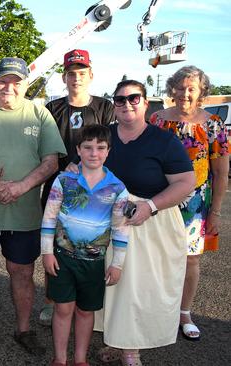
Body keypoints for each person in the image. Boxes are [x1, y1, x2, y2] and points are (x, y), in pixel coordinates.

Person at [0, 57, 66, 355]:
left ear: (25, 84)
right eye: (4, 81)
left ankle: (24, 329)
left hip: (24, 214)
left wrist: (20, 187)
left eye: (16, 82)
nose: (9, 87)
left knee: (22, 270)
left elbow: (51, 161)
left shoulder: (39, 115)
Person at [93, 80, 195, 366]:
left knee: (136, 290)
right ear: (113, 105)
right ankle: (115, 338)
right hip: (106, 221)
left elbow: (186, 182)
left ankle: (131, 349)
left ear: (146, 103)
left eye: (134, 98)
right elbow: (80, 166)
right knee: (109, 285)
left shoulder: (163, 140)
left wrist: (149, 206)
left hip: (149, 222)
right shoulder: (104, 135)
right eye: (120, 100)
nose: (127, 105)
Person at [150, 66, 228, 341]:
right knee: (156, 257)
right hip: (158, 199)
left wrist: (215, 212)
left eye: (191, 88)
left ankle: (184, 313)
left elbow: (220, 173)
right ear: (172, 89)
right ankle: (158, 309)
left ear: (201, 92)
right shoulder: (157, 120)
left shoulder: (213, 125)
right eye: (180, 87)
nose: (185, 93)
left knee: (190, 260)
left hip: (195, 205)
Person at [41, 124, 129, 366]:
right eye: (88, 147)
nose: (94, 153)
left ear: (108, 151)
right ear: (78, 149)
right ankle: (60, 358)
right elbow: (49, 217)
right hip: (62, 258)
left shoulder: (117, 188)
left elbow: (121, 228)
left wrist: (117, 263)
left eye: (100, 148)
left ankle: (80, 359)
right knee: (63, 309)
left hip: (94, 262)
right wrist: (47, 252)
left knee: (85, 311)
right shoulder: (64, 180)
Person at [39, 49, 115, 326]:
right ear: (64, 77)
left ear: (91, 76)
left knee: (93, 245)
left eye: (82, 73)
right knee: (55, 245)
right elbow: (45, 149)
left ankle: (89, 303)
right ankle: (52, 301)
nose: (76, 78)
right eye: (71, 74)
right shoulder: (52, 109)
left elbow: (110, 148)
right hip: (58, 189)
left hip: (94, 193)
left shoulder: (105, 108)